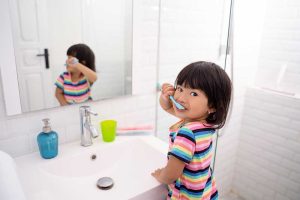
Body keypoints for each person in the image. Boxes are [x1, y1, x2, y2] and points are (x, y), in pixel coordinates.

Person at [152, 61, 232, 200]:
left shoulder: (187, 133)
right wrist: (165, 97)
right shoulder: (203, 123)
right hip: (204, 191)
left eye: (194, 94)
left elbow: (171, 174)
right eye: (180, 89)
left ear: (212, 106)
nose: (181, 98)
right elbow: (168, 108)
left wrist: (161, 175)